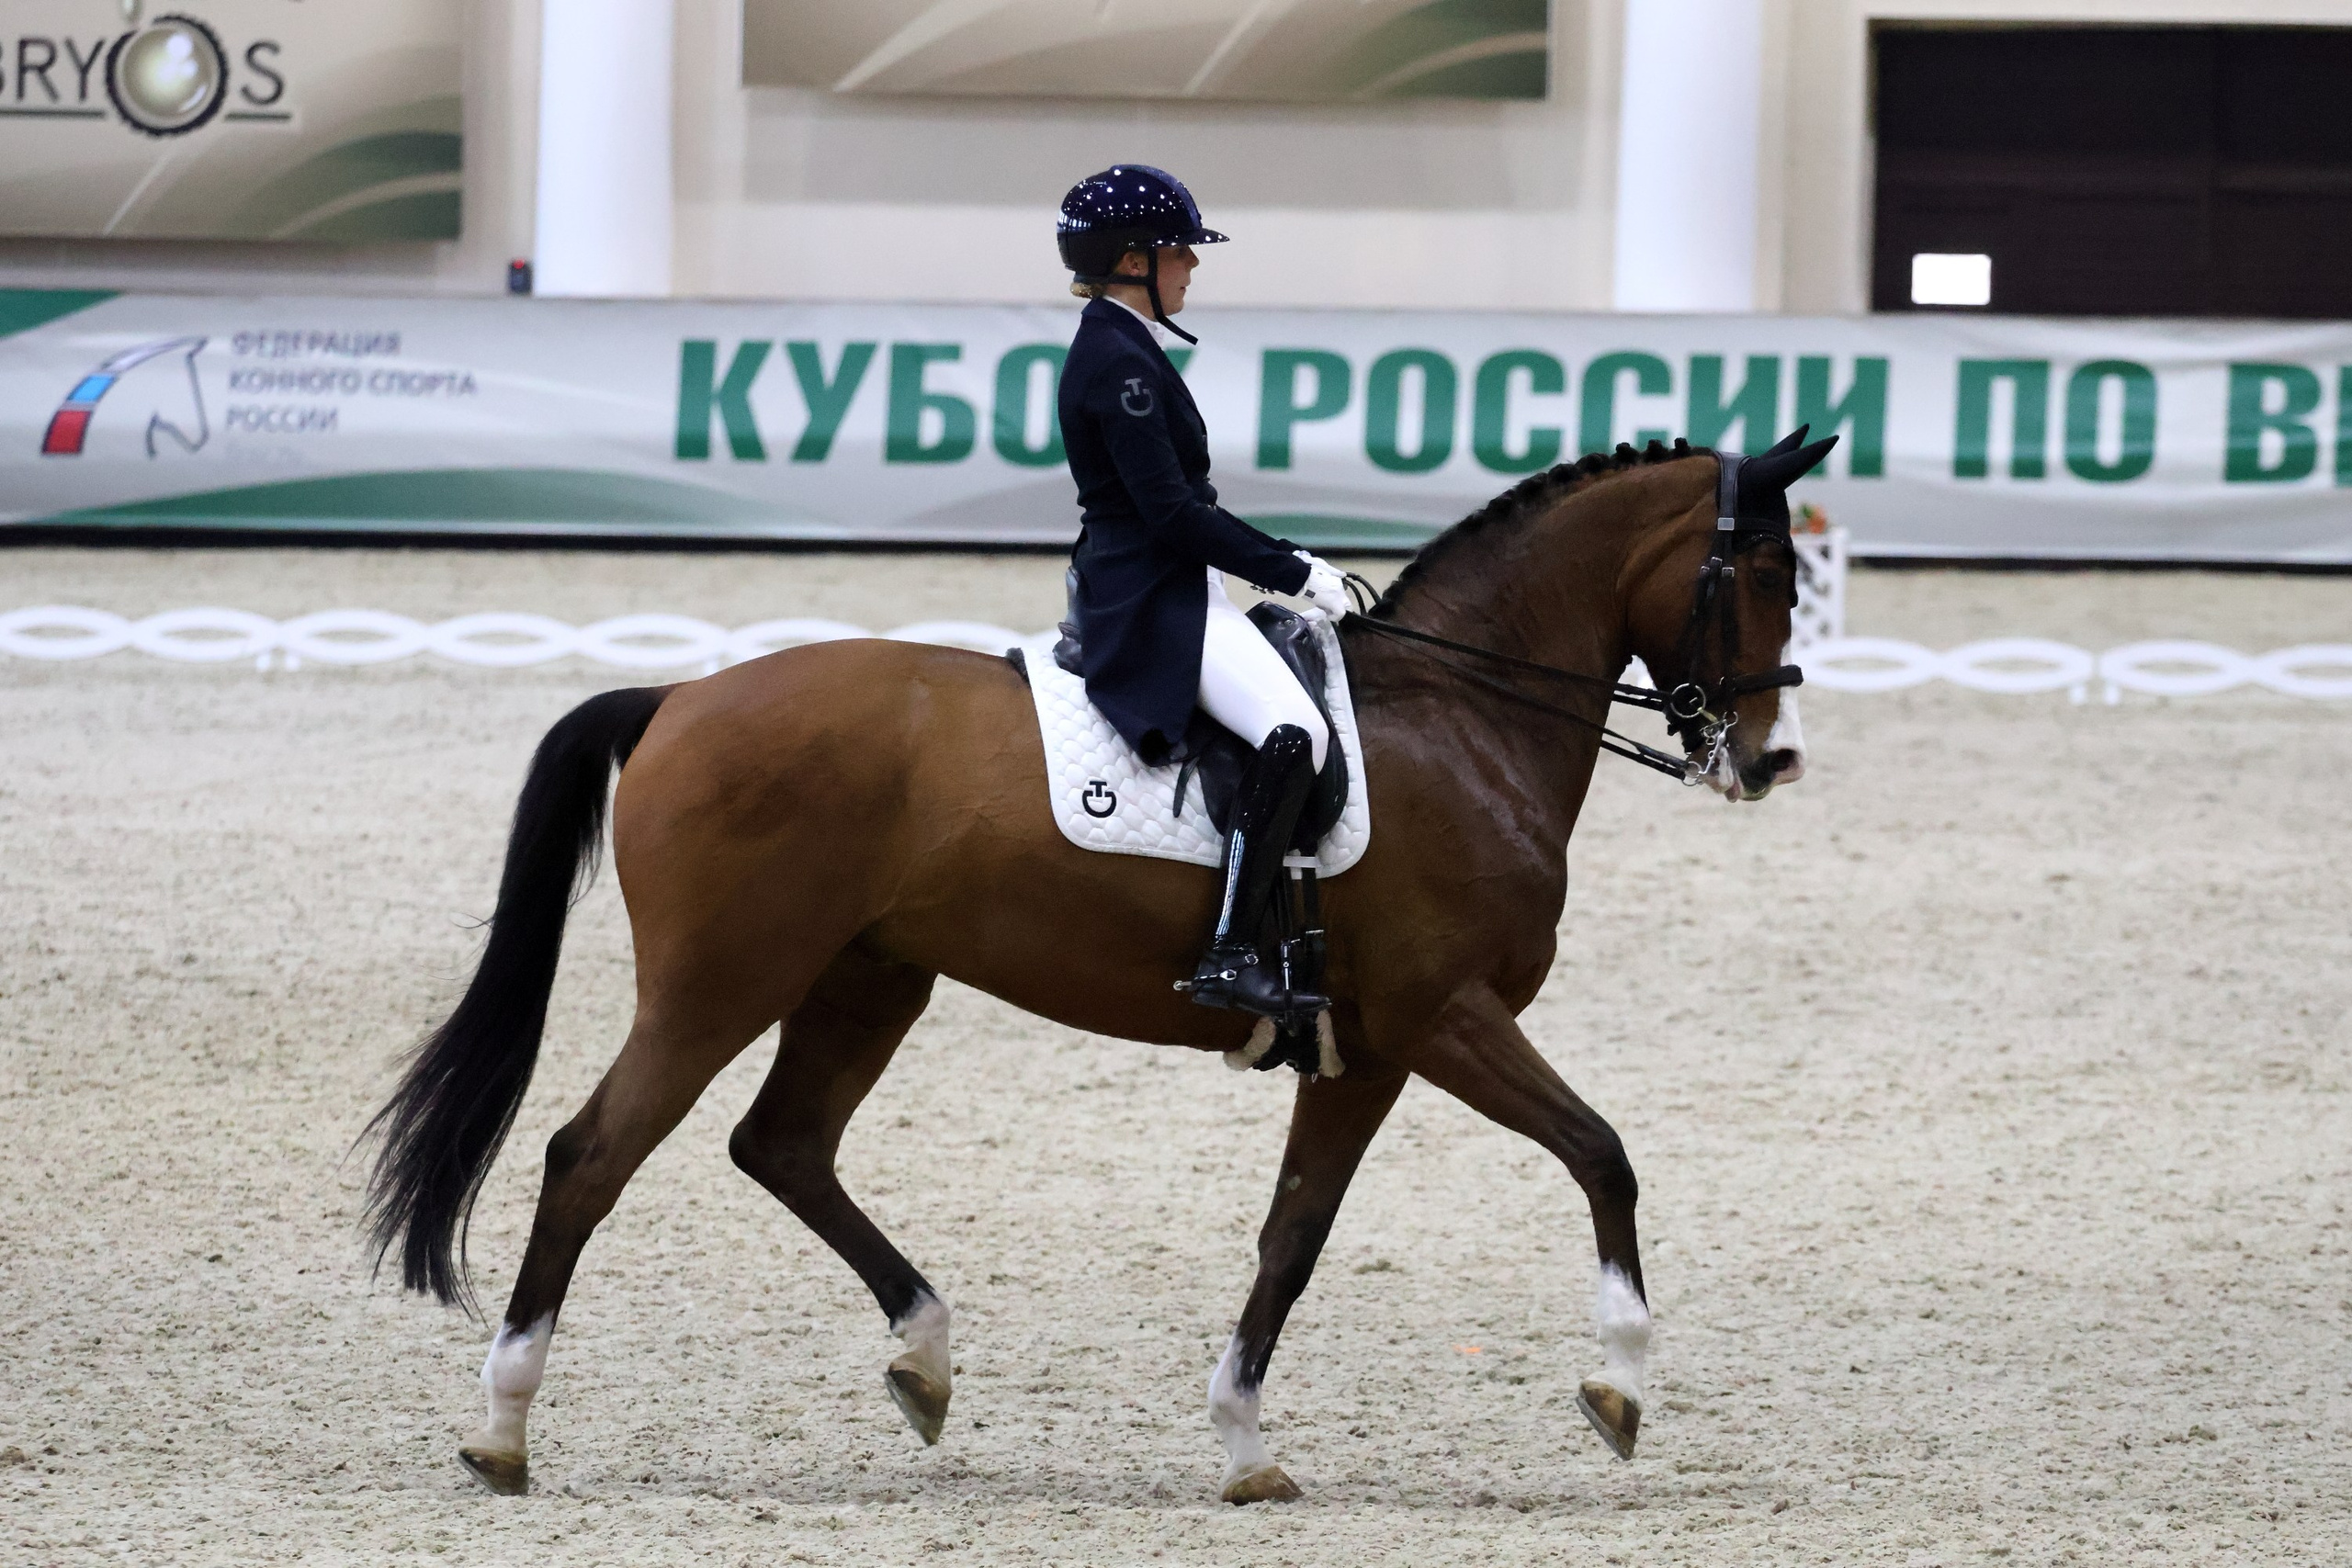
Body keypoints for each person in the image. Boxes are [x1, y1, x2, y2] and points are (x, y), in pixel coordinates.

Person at [1054, 164, 1351, 1021]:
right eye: (1179, 249)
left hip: (1167, 575)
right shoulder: (1120, 363)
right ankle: (1227, 953)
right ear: (1135, 259)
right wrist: (1295, 570)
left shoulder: (1126, 346)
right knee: (1294, 733)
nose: (1192, 264)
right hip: (1151, 592)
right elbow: (1173, 514)